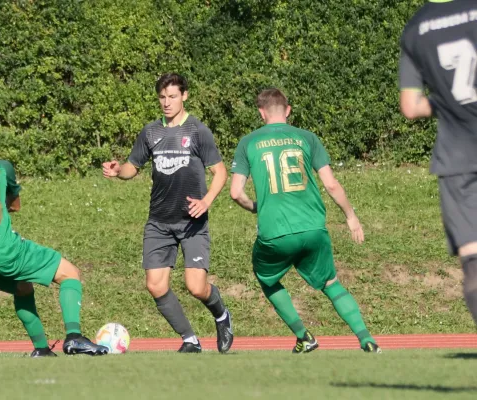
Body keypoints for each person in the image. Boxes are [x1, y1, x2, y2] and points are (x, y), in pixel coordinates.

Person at [0, 119, 109, 358]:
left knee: (23, 288)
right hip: (6, 249)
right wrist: (7, 205)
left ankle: (41, 349)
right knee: (70, 274)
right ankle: (74, 337)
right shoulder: (1, 167)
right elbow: (14, 203)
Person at [230, 88, 381, 353]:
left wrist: (256, 207)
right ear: (288, 110)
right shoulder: (308, 138)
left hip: (275, 233)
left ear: (261, 113)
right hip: (313, 229)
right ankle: (366, 338)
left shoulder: (248, 142)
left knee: (266, 278)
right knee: (331, 283)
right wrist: (351, 217)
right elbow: (332, 185)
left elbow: (235, 193)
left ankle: (303, 336)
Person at [102, 73, 233, 353]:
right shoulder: (151, 132)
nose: (167, 102)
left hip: (192, 222)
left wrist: (207, 201)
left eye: (172, 96)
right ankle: (190, 340)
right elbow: (132, 167)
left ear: (184, 96)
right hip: (159, 222)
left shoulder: (197, 131)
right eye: (162, 97)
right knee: (155, 285)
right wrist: (118, 171)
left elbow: (220, 172)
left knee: (196, 287)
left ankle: (222, 315)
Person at [399, 0, 477, 326]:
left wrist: (444, 101)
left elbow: (411, 106)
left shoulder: (415, 29)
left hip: (457, 158)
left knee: (473, 261)